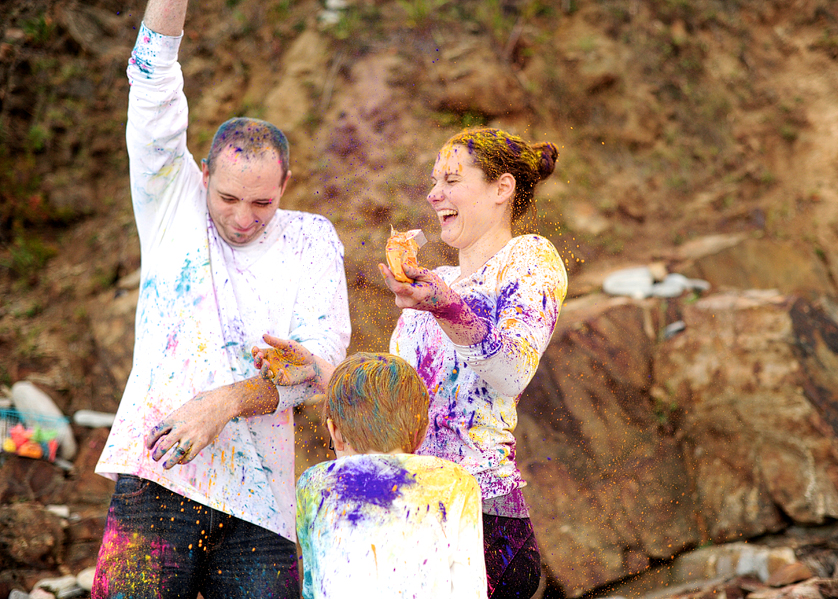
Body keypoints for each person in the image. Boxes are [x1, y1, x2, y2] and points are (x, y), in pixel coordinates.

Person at [90, 0, 351, 597]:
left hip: (263, 504)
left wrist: (255, 388)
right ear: (204, 175)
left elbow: (323, 368)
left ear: (285, 183)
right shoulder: (171, 199)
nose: (242, 219)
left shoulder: (312, 238)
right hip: (157, 475)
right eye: (229, 198)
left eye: (263, 204)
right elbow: (152, 82)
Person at [257, 127, 567, 598]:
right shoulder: (432, 283)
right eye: (433, 180)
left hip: (484, 523)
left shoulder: (528, 258)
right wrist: (319, 372)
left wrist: (447, 308)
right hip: (414, 513)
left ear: (502, 188)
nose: (433, 193)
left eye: (451, 180)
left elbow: (512, 370)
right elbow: (398, 404)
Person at [291, 352, 487, 598]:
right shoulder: (456, 483)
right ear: (422, 431)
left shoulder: (315, 484)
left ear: (335, 433)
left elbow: (313, 583)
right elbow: (470, 588)